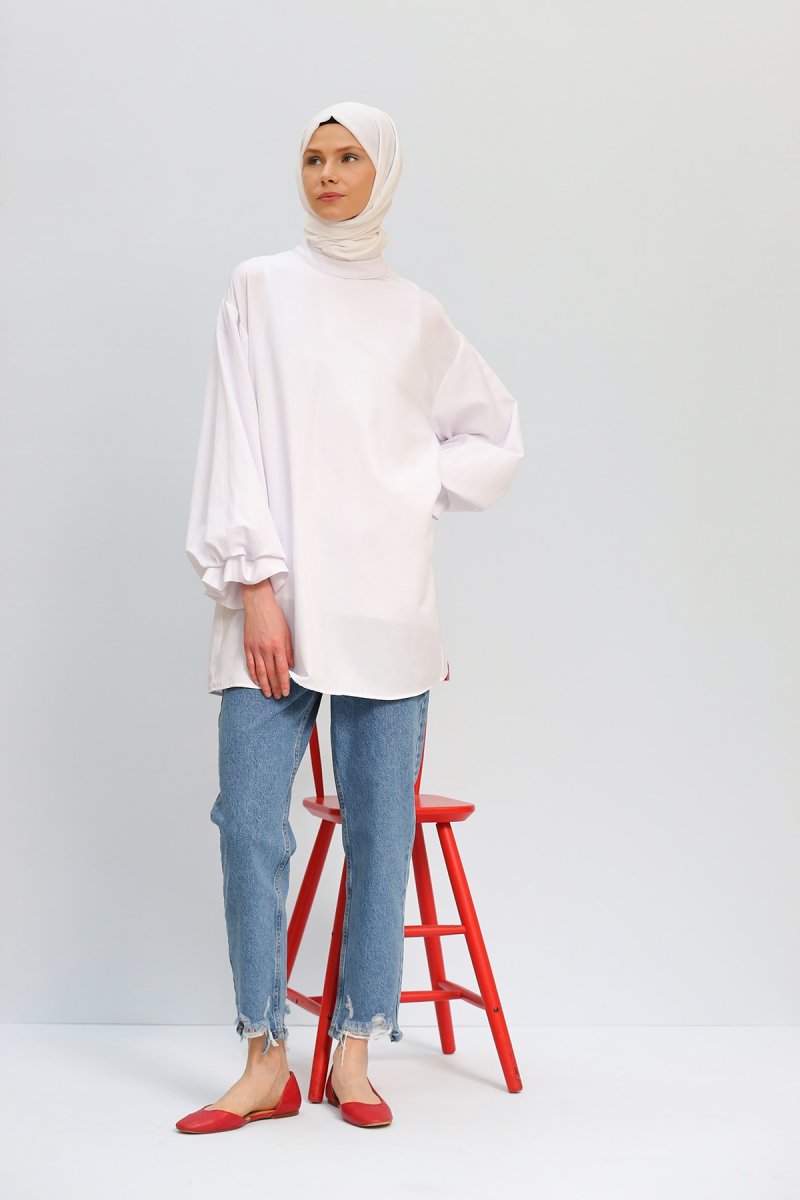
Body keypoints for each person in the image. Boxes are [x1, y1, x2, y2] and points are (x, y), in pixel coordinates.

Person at [176, 100, 524, 1134]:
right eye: (312, 157)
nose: (326, 173)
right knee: (248, 823)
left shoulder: (417, 314)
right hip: (274, 608)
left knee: (380, 835)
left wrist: (412, 484)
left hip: (386, 610)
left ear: (384, 174)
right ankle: (264, 1059)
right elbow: (234, 440)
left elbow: (495, 435)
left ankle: (354, 1051)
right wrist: (254, 589)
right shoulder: (258, 288)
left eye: (348, 156)